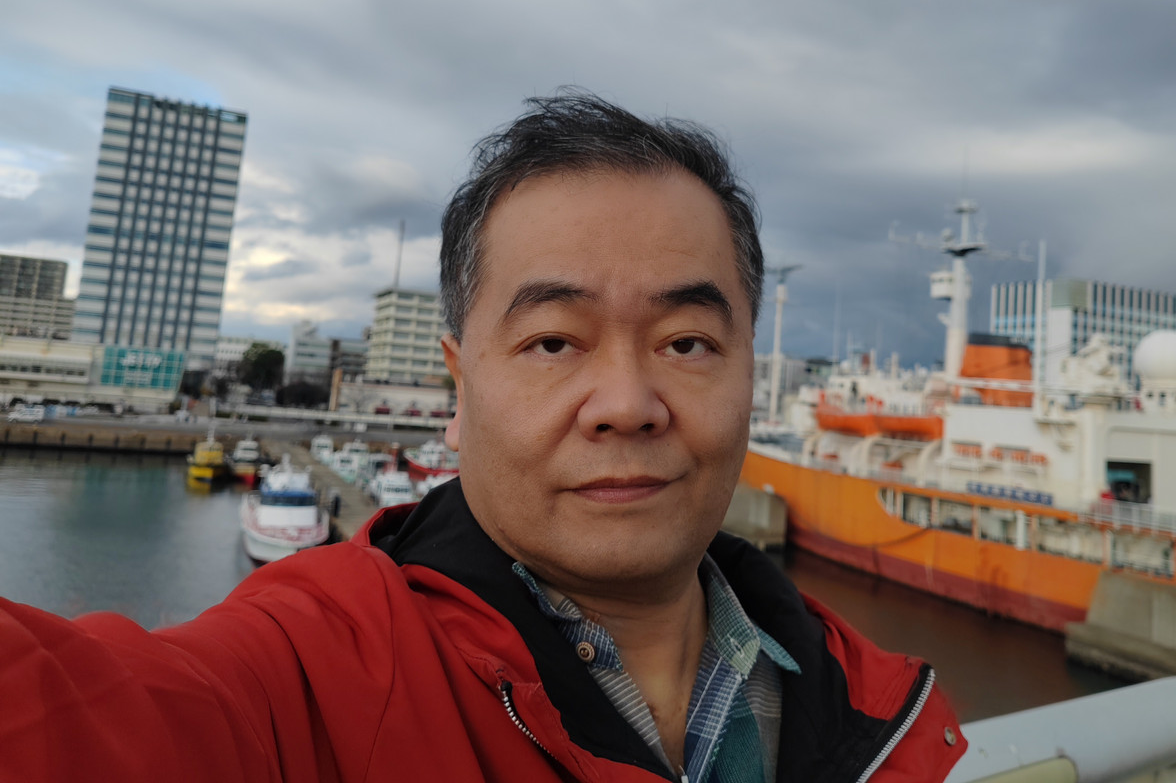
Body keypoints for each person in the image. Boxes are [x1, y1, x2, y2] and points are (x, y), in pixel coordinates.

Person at [0, 91, 965, 782]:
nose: (626, 403)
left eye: (686, 342)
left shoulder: (879, 706)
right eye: (553, 341)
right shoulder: (311, 677)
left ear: (749, 372)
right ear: (458, 387)